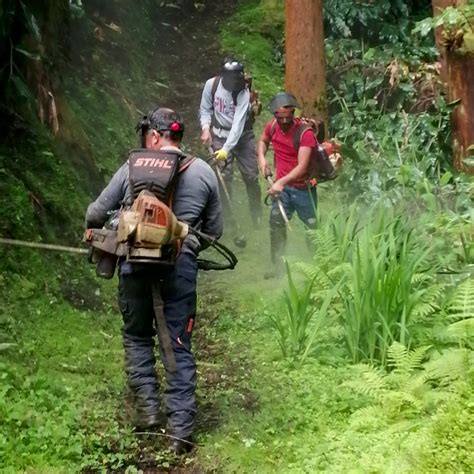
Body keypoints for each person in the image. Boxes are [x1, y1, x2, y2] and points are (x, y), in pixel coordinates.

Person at [85, 107, 223, 455]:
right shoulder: (203, 171)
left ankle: (147, 411)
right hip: (181, 267)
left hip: (134, 264)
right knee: (178, 343)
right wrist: (186, 242)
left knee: (136, 336)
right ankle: (180, 430)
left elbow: (97, 212)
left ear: (155, 136)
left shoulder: (133, 167)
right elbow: (215, 232)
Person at [257, 92, 318, 276]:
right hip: (282, 190)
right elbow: (263, 141)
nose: (283, 121)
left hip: (303, 189)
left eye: (287, 117)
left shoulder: (305, 133)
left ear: (293, 113)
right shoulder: (272, 126)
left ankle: (319, 265)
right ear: (275, 114)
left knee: (312, 228)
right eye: (280, 117)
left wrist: (280, 182)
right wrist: (261, 158)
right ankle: (277, 265)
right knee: (276, 224)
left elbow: (302, 166)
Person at [199, 58, 262, 226]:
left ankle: (256, 215)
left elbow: (238, 125)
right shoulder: (211, 85)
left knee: (250, 176)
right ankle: (226, 217)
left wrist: (226, 150)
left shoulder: (243, 92)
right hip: (219, 135)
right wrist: (206, 128)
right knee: (223, 177)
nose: (234, 83)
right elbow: (205, 109)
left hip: (242, 137)